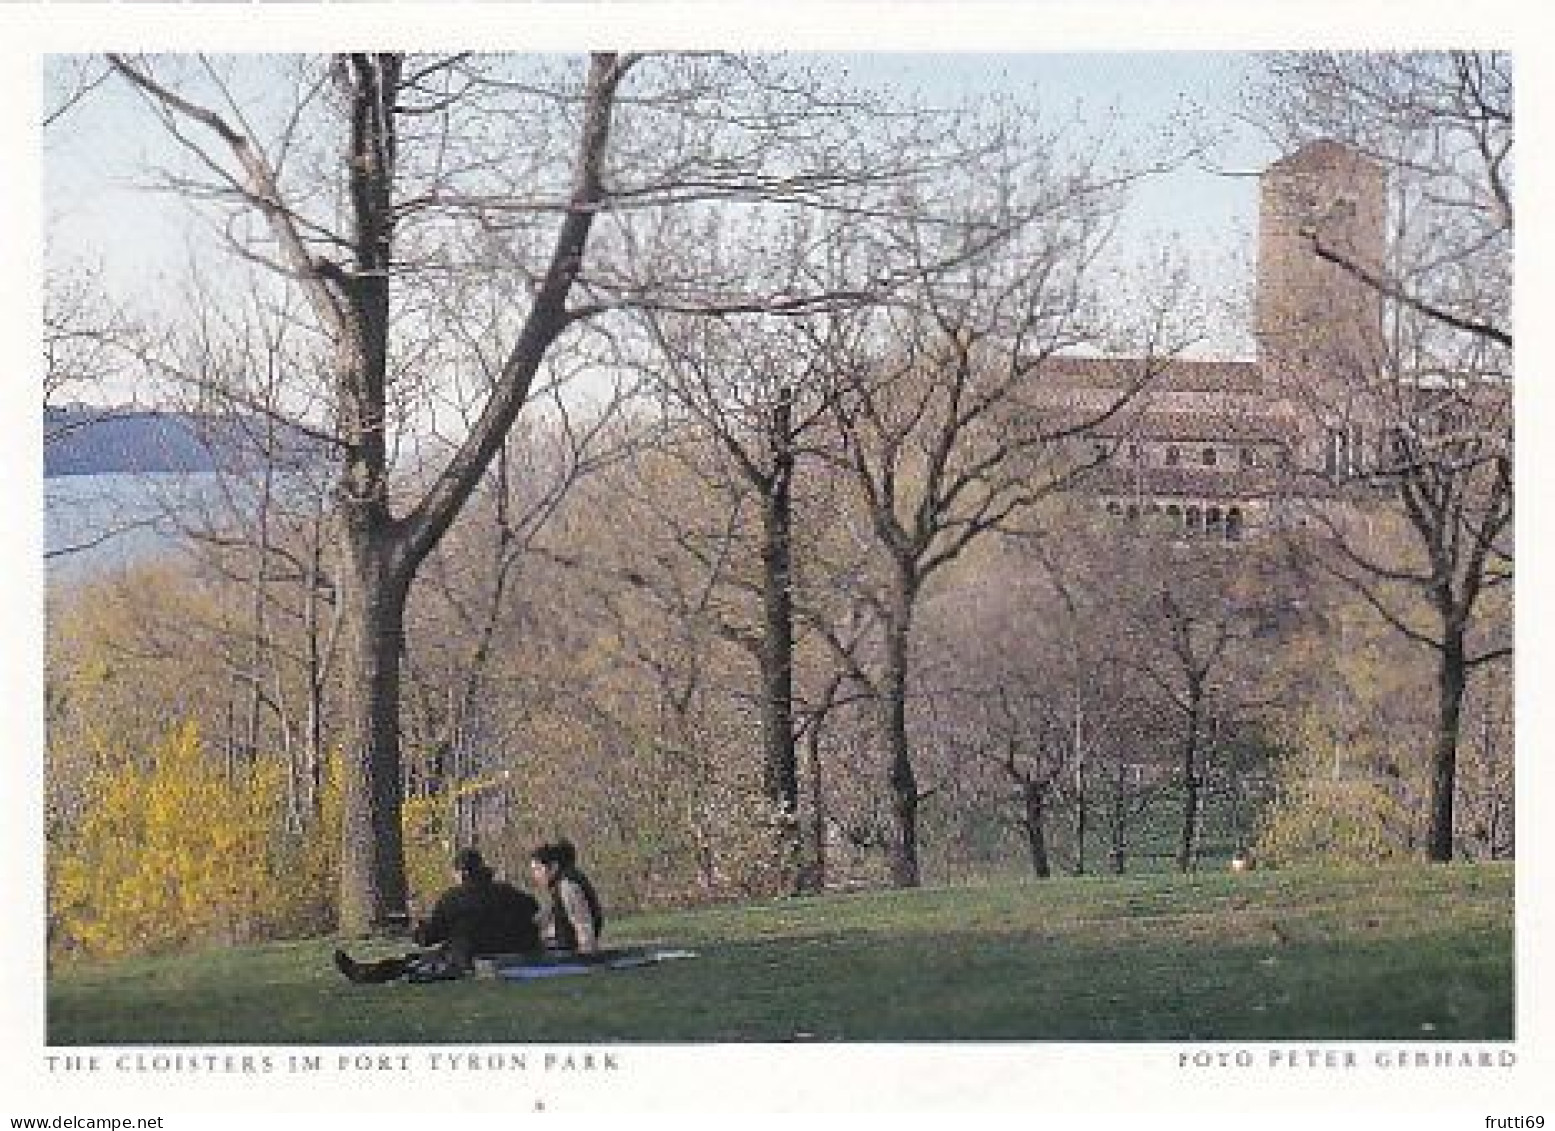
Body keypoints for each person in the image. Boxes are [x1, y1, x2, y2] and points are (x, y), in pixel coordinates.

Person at [333, 847, 541, 984]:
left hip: (469, 955)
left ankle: (363, 974)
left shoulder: (453, 898)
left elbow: (429, 937)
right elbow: (533, 907)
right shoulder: (507, 891)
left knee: (411, 962)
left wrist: (417, 929)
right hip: (512, 948)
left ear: (462, 873)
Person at [529, 839, 604, 957]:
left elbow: (583, 925)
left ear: (553, 866)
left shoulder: (567, 886)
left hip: (571, 954)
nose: (535, 875)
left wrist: (587, 958)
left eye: (538, 869)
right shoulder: (560, 884)